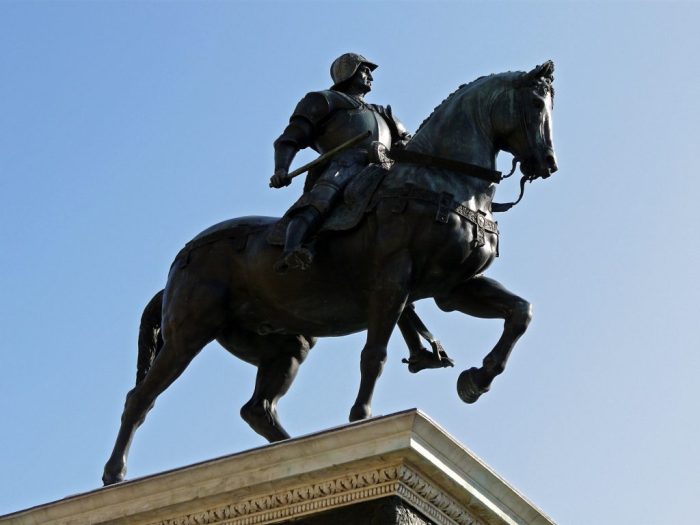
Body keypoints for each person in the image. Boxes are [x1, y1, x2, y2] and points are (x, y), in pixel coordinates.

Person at [270, 52, 411, 272]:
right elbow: (291, 137)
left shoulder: (384, 113)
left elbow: (409, 146)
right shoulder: (325, 100)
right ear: (349, 71)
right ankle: (292, 250)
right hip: (344, 164)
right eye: (365, 71)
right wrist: (281, 168)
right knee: (322, 199)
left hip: (384, 168)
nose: (370, 77)